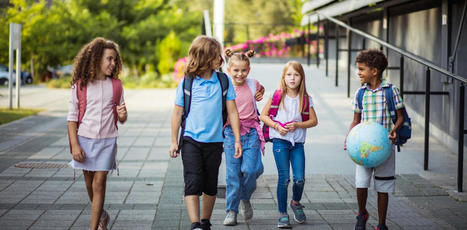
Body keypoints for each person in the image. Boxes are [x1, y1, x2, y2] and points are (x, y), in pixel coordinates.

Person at [169, 36, 242, 230]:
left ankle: (205, 221)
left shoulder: (223, 81)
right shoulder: (187, 83)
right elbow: (177, 113)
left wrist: (236, 140)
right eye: (216, 54)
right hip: (190, 139)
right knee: (193, 180)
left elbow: (233, 111)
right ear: (205, 57)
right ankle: (195, 225)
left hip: (215, 141)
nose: (220, 58)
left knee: (210, 183)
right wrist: (173, 141)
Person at [67, 37, 127, 230]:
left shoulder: (116, 85)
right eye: (109, 59)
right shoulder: (80, 86)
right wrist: (75, 145)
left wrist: (123, 115)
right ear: (96, 60)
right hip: (84, 140)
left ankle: (93, 228)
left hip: (107, 141)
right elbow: (72, 118)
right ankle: (101, 214)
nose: (113, 63)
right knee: (90, 183)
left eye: (115, 60)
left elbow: (122, 117)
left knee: (99, 183)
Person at [345, 49, 404, 230]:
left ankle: (381, 224)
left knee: (383, 185)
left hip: (385, 146)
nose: (358, 73)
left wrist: (395, 130)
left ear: (374, 71)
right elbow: (356, 120)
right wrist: (349, 138)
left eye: (362, 69)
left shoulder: (390, 90)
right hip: (363, 147)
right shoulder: (360, 93)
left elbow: (401, 117)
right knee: (361, 184)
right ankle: (362, 212)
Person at [260, 61, 318, 229]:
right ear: (284, 77)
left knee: (299, 179)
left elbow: (314, 121)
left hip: (297, 144)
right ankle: (282, 214)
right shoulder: (277, 96)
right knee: (284, 179)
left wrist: (298, 125)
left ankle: (295, 202)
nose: (292, 78)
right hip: (280, 141)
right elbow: (263, 116)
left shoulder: (306, 99)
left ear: (302, 78)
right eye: (289, 75)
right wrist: (277, 126)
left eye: (296, 74)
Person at [222, 49, 265, 226]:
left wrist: (260, 93)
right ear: (229, 69)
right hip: (232, 134)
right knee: (233, 175)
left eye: (244, 70)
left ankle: (244, 197)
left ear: (249, 70)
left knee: (252, 170)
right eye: (236, 70)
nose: (240, 74)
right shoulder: (226, 86)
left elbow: (261, 89)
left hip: (252, 132)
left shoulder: (253, 83)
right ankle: (231, 211)